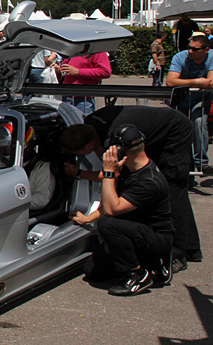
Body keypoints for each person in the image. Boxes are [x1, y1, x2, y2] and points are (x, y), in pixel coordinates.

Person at [63, 104, 200, 273]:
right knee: (167, 191)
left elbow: (112, 175)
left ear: (88, 145)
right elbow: (107, 165)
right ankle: (192, 248)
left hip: (174, 131)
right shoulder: (91, 123)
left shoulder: (112, 140)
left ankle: (177, 255)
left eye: (81, 153)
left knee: (174, 190)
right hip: (155, 129)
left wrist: (80, 173)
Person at [70, 124, 174, 296]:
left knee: (108, 223)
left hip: (155, 236)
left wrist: (109, 173)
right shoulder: (128, 167)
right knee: (93, 272)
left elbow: (112, 209)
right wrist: (89, 218)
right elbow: (114, 200)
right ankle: (145, 262)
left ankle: (139, 274)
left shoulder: (149, 181)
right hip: (133, 228)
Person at [166, 34, 213, 174]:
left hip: (201, 98)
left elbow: (212, 82)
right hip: (181, 99)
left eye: (195, 49)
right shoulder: (180, 57)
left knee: (199, 122)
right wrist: (196, 82)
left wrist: (189, 83)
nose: (190, 51)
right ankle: (186, 168)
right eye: (189, 48)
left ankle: (201, 163)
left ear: (206, 50)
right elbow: (171, 81)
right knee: (181, 131)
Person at [58, 51, 111, 115]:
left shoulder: (97, 51)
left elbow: (105, 72)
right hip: (66, 96)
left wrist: (78, 72)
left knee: (82, 123)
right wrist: (59, 69)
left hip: (83, 98)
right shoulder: (73, 49)